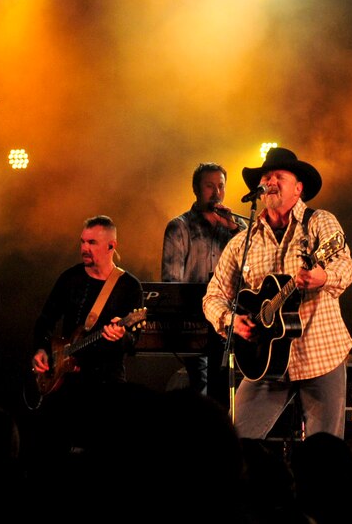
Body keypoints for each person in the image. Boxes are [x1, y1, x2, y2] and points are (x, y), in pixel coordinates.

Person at [202, 147, 352, 440]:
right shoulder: (242, 242)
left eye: (279, 176)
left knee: (324, 454)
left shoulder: (319, 222)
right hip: (265, 362)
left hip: (320, 355)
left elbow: (344, 267)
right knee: (234, 442)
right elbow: (213, 296)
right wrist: (231, 320)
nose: (271, 181)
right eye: (266, 177)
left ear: (298, 188)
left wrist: (323, 277)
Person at [28, 215, 144, 460]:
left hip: (107, 384)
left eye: (91, 242)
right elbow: (45, 320)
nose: (83, 248)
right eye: (82, 241)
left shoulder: (129, 287)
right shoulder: (70, 278)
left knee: (105, 452)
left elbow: (134, 342)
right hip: (66, 384)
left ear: (111, 246)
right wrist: (40, 349)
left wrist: (120, 336)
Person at [161, 161, 245, 406]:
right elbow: (172, 282)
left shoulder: (234, 229)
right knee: (202, 386)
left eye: (221, 186)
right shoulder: (180, 227)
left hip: (229, 322)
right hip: (194, 322)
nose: (216, 193)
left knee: (229, 389)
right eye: (210, 186)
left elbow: (254, 263)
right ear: (196, 189)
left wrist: (233, 228)